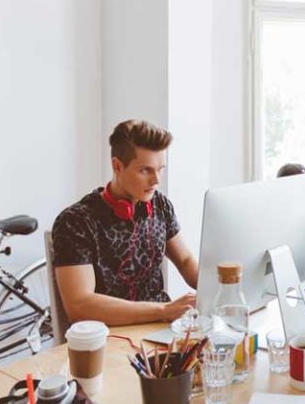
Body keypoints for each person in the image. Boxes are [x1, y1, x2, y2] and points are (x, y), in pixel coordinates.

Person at [52, 120, 198, 326]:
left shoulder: (160, 204)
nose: (156, 180)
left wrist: (225, 285)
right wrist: (163, 310)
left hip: (161, 328)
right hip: (111, 337)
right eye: (145, 170)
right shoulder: (75, 222)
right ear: (117, 166)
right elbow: (80, 306)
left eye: (160, 169)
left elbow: (185, 261)